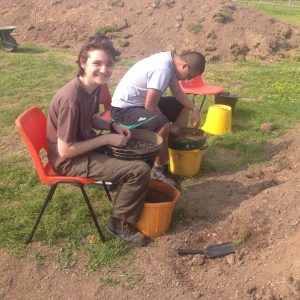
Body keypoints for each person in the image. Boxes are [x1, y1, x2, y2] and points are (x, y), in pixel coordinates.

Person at [46, 35, 151, 247]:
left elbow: (92, 118)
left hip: (83, 144)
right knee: (139, 170)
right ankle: (118, 224)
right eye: (97, 63)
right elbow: (65, 151)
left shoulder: (93, 87)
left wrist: (113, 127)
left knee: (140, 154)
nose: (104, 69)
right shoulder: (71, 99)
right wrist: (107, 140)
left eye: (109, 64)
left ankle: (128, 202)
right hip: (69, 160)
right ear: (83, 64)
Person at [111, 51, 206, 184]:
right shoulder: (163, 69)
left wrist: (194, 109)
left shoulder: (170, 61)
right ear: (185, 66)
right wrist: (169, 125)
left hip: (140, 104)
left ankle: (174, 150)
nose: (186, 80)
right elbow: (150, 106)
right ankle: (158, 169)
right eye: (189, 76)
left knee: (181, 106)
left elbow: (178, 92)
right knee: (162, 124)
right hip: (124, 111)